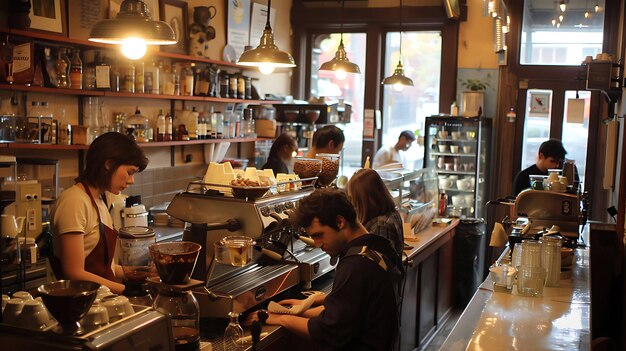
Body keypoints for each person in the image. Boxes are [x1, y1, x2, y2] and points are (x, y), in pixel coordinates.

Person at [247, 189, 400, 350]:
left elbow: (328, 331)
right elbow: (352, 308)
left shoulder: (356, 266)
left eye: (319, 235)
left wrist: (278, 318)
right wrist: (301, 308)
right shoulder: (376, 246)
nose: (317, 244)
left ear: (340, 222)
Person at [50, 132, 149, 294]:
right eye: (130, 172)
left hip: (101, 301)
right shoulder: (74, 202)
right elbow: (74, 272)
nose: (132, 181)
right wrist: (128, 290)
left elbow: (105, 269)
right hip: (80, 303)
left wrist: (144, 273)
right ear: (109, 164)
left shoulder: (100, 201)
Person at [345, 168, 404, 259]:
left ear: (363, 200)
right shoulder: (391, 213)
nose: (353, 204)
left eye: (354, 199)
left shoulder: (380, 225)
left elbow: (380, 265)